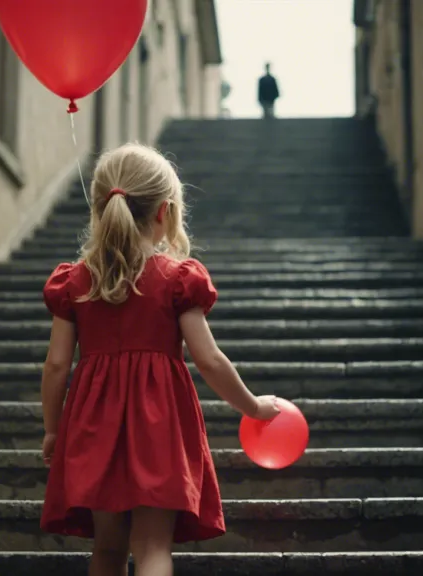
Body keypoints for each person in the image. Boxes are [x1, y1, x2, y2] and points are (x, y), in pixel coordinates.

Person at [39, 143, 281, 576]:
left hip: (92, 427)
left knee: (107, 551)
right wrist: (254, 407)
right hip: (160, 427)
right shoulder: (177, 279)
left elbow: (57, 366)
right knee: (152, 549)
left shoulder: (75, 281)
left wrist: (54, 430)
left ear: (100, 209)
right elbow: (208, 360)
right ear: (164, 212)